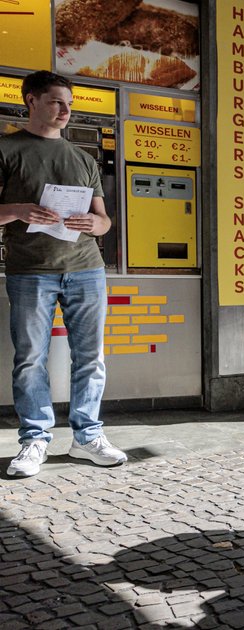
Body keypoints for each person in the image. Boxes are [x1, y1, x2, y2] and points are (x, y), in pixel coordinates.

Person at [0, 71, 125, 478]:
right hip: (31, 271)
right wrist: (18, 211)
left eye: (69, 104)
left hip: (87, 269)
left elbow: (104, 220)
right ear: (31, 100)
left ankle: (87, 437)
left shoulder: (83, 159)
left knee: (90, 357)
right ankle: (35, 440)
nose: (66, 111)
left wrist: (94, 225)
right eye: (56, 101)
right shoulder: (6, 149)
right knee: (30, 358)